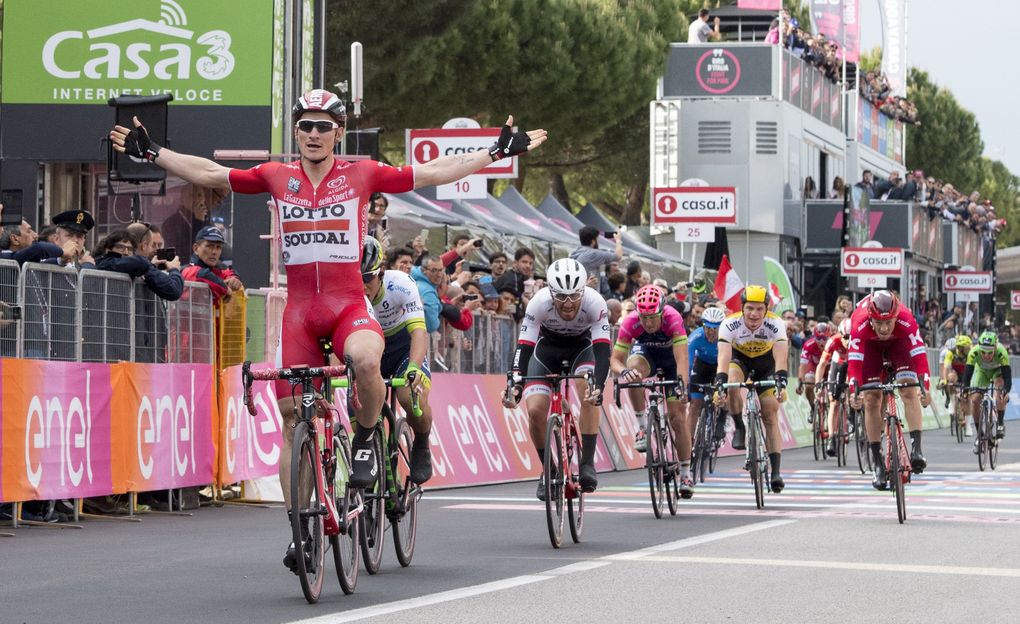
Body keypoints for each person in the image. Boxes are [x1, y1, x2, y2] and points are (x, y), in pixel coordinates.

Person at [110, 88, 546, 574]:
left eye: (323, 126)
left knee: (364, 360)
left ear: (338, 132)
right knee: (293, 422)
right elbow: (211, 173)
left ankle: (363, 441)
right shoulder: (277, 177)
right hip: (299, 313)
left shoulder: (362, 173)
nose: (314, 134)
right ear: (295, 131)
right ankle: (301, 530)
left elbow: (433, 173)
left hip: (346, 307)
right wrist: (153, 153)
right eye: (305, 125)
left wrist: (496, 152)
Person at [502, 259, 610, 499]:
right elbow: (524, 346)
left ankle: (587, 463)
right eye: (561, 297)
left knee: (588, 388)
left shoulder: (595, 303)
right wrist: (516, 384)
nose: (568, 303)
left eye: (574, 296)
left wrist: (599, 386)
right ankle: (548, 470)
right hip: (547, 350)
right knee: (535, 411)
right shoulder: (538, 302)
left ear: (583, 291)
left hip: (582, 348)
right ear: (551, 292)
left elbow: (603, 349)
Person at [361, 236, 433, 483]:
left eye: (367, 278)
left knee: (408, 396)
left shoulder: (401, 284)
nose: (361, 286)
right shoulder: (349, 293)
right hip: (371, 351)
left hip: (403, 349)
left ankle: (422, 444)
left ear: (380, 272)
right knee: (359, 406)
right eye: (355, 279)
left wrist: (414, 368)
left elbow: (419, 333)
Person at [846, 291, 931, 490]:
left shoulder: (905, 318)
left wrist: (924, 388)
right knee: (871, 399)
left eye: (888, 323)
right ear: (870, 318)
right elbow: (854, 364)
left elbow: (919, 357)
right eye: (879, 323)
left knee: (909, 390)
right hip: (870, 348)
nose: (884, 328)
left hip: (899, 344)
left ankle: (916, 449)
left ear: (895, 316)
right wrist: (854, 391)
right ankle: (877, 461)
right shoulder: (859, 321)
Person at [611, 285, 692, 494]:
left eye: (652, 317)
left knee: (677, 419)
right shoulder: (630, 322)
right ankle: (642, 426)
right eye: (643, 317)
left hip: (672, 362)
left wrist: (683, 386)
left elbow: (682, 357)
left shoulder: (673, 318)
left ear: (662, 311)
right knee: (633, 368)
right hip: (647, 357)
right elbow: (615, 361)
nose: (647, 322)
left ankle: (685, 474)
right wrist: (624, 372)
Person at [713, 285, 790, 492]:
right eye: (749, 309)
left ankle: (775, 472)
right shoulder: (730, 324)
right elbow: (723, 357)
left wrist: (781, 380)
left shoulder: (776, 324)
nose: (754, 314)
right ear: (742, 308)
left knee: (770, 413)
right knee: (732, 381)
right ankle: (739, 425)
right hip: (740, 360)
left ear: (766, 310)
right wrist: (720, 381)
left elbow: (781, 357)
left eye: (759, 309)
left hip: (767, 364)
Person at [94, 229, 184, 300]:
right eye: (120, 247)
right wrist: (174, 269)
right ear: (108, 249)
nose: (125, 252)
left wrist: (150, 266)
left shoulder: (139, 266)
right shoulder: (105, 262)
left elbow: (173, 290)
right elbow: (139, 262)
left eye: (129, 249)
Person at [963, 331, 1011, 447]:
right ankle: (980, 435)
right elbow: (967, 374)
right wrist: (965, 389)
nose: (986, 355)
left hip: (997, 372)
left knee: (1000, 391)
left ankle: (1000, 422)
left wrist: (1005, 390)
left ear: (995, 347)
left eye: (990, 352)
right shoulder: (973, 352)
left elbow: (1007, 377)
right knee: (974, 400)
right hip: (982, 372)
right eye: (983, 351)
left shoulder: (1002, 353)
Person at [687, 306, 727, 441]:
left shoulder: (727, 337)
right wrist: (686, 386)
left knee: (725, 392)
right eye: (708, 328)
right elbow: (688, 362)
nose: (712, 332)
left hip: (722, 366)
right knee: (694, 404)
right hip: (702, 366)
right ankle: (688, 442)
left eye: (716, 329)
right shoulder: (696, 337)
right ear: (703, 327)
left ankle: (721, 419)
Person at [815, 318, 853, 456]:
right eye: (846, 337)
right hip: (837, 365)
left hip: (854, 364)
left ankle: (852, 416)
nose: (848, 342)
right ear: (840, 334)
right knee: (834, 402)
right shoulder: (833, 341)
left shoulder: (860, 342)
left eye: (852, 337)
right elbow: (821, 365)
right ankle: (831, 438)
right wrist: (818, 385)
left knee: (855, 392)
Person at [180, 226, 243, 305]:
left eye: (218, 247)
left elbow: (230, 273)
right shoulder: (188, 270)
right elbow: (202, 275)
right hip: (186, 317)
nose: (214, 252)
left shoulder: (218, 269)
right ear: (196, 249)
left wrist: (234, 279)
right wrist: (225, 288)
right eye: (209, 246)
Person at [796, 319, 833, 429]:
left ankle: (834, 413)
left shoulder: (833, 344)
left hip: (830, 367)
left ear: (829, 337)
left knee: (834, 390)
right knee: (808, 386)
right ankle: (813, 408)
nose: (821, 342)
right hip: (814, 367)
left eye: (824, 339)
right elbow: (802, 365)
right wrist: (800, 382)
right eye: (818, 339)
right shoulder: (809, 344)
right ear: (814, 337)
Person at [569, 226, 623, 297]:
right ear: (593, 241)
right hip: (589, 297)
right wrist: (618, 240)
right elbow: (618, 256)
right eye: (598, 239)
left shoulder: (575, 252)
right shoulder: (593, 254)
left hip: (577, 295)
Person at [939, 335, 972, 435]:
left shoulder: (971, 354)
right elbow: (946, 367)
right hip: (956, 373)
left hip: (967, 374)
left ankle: (968, 426)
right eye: (967, 347)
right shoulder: (951, 353)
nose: (969, 348)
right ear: (961, 348)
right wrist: (944, 380)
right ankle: (952, 401)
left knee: (968, 399)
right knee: (950, 378)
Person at [0, 218, 66, 265]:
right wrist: (64, 252)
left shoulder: (24, 259)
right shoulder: (6, 260)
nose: (36, 235)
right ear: (15, 239)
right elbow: (40, 248)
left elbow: (44, 264)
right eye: (29, 231)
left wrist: (61, 260)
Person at [411, 254, 443, 333]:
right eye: (434, 270)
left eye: (441, 270)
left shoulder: (411, 278)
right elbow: (432, 325)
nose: (439, 275)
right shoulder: (428, 292)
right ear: (423, 270)